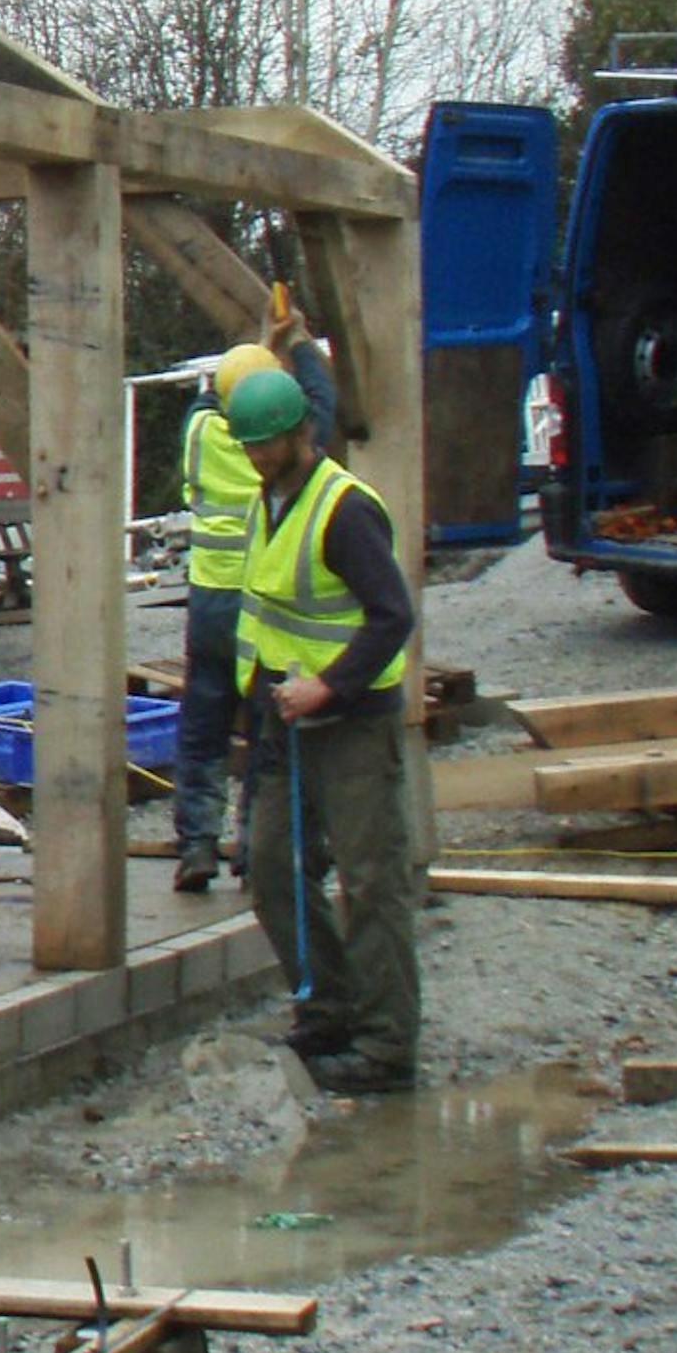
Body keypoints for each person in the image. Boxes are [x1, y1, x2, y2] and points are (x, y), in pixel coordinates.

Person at [226, 366, 422, 1096]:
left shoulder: (344, 510)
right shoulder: (265, 501)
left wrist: (329, 685)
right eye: (247, 446)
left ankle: (386, 1043)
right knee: (271, 864)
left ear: (300, 433)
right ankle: (329, 1004)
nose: (255, 457)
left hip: (352, 723)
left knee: (371, 880)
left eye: (265, 444)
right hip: (286, 723)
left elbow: (392, 617)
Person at [171, 320, 341, 892]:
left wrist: (250, 360)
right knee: (265, 732)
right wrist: (294, 345)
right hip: (253, 608)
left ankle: (196, 844)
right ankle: (252, 850)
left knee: (203, 724)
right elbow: (321, 400)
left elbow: (208, 399)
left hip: (207, 603)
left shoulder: (200, 434)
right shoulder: (274, 451)